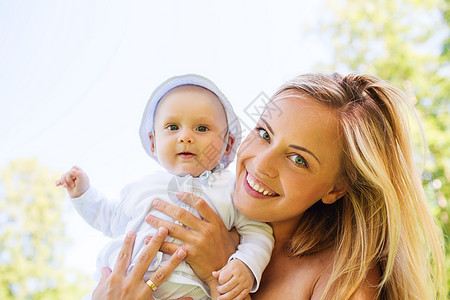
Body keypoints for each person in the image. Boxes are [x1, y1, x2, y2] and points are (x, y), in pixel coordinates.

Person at [91, 73, 446, 300]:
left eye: (298, 159)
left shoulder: (343, 278)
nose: (260, 164)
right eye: (263, 134)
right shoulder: (196, 218)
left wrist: (218, 275)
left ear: (335, 189)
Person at [56, 74, 274, 300]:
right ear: (153, 142)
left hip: (191, 292)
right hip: (119, 286)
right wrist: (83, 194)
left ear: (228, 144)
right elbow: (110, 218)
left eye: (201, 128)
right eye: (172, 127)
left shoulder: (231, 187)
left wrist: (246, 265)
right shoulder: (142, 186)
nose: (185, 136)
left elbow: (258, 232)